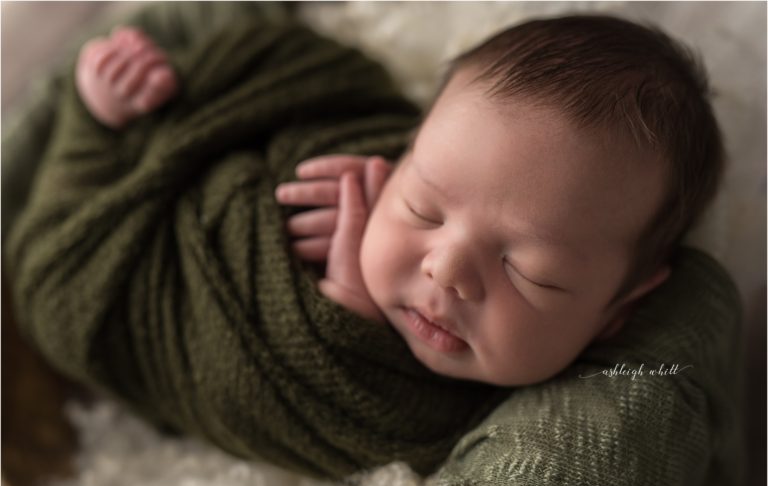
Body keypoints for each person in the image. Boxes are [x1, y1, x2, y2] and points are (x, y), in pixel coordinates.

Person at [75, 14, 722, 387]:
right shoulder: (343, 162)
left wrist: (346, 331)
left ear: (620, 309)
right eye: (425, 208)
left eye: (530, 272)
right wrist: (122, 113)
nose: (446, 269)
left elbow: (381, 431)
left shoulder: (557, 424)